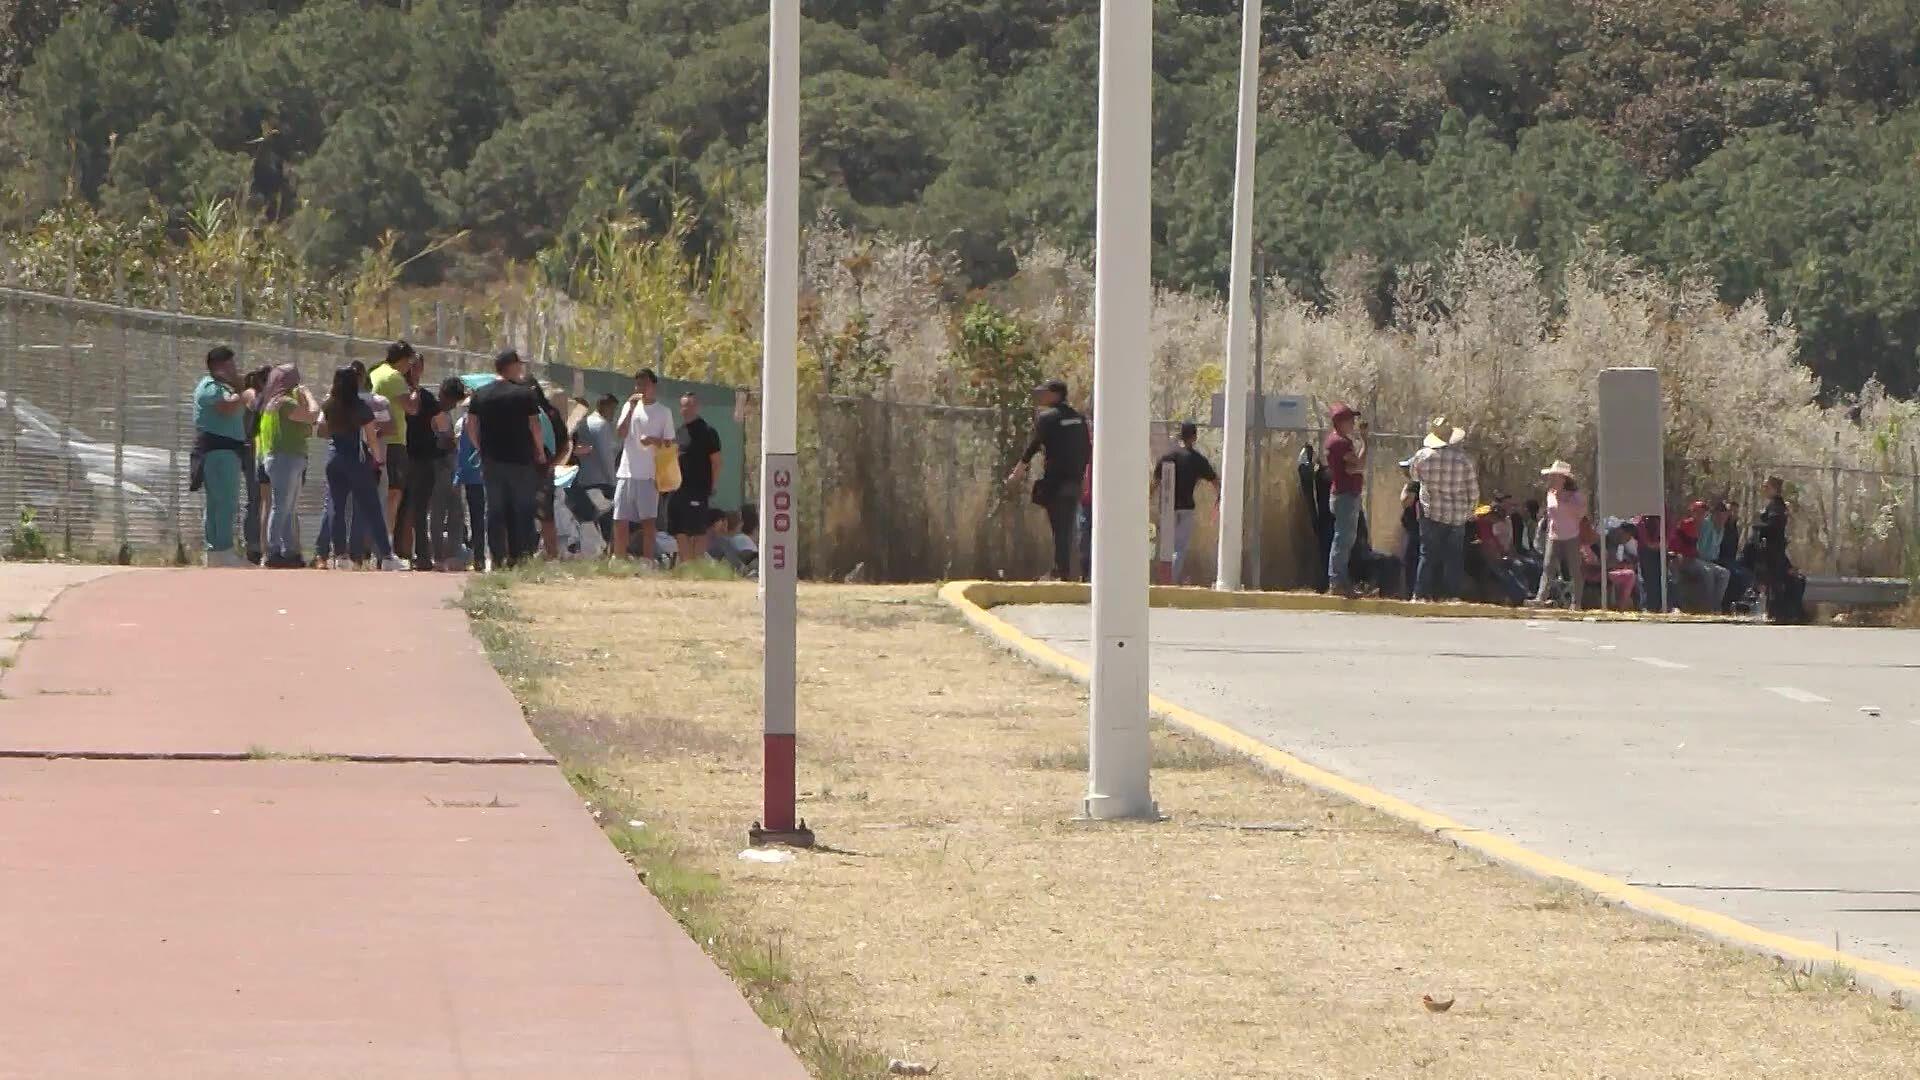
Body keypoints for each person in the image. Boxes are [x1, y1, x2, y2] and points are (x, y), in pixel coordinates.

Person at [466, 350, 548, 569]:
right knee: (521, 508)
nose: (521, 369)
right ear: (510, 367)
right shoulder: (524, 394)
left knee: (494, 509)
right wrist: (539, 451)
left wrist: (479, 446)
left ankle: (497, 556)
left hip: (492, 460)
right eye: (518, 365)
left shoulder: (480, 394)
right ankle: (519, 556)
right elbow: (535, 426)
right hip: (521, 460)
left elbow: (470, 424)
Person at [319, 364, 404, 571]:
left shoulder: (329, 404)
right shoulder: (361, 407)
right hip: (356, 460)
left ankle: (340, 555)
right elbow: (372, 438)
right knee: (372, 508)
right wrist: (378, 460)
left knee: (336, 507)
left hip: (333, 457)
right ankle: (386, 555)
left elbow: (321, 428)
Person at [1008, 378, 1089, 581]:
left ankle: (1062, 574)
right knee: (1066, 527)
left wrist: (1017, 473)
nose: (1040, 395)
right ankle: (1063, 570)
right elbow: (1086, 449)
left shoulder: (1047, 418)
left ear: (1055, 394)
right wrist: (1082, 477)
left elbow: (1033, 447)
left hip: (1056, 482)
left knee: (1060, 528)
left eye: (1044, 392)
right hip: (1074, 482)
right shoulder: (1079, 418)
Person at [191, 346, 257, 567]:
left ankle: (219, 551)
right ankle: (221, 549)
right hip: (218, 452)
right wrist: (244, 394)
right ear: (218, 367)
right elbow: (226, 408)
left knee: (223, 501)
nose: (234, 368)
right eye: (229, 364)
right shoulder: (210, 387)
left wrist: (240, 384)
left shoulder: (226, 387)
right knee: (223, 501)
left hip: (227, 452)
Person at [1407, 418, 1478, 601]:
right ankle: (1451, 595)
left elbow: (1414, 476)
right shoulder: (1464, 461)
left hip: (1431, 512)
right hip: (1457, 515)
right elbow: (1473, 491)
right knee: (1453, 557)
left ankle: (1421, 594)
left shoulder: (1422, 456)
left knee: (1428, 554)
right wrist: (1469, 512)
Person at [255, 364, 318, 569]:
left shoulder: (273, 402)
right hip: (285, 457)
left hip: (285, 456)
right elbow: (314, 415)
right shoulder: (283, 402)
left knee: (289, 507)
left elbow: (306, 428)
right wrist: (307, 394)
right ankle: (273, 551)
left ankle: (290, 551)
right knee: (281, 506)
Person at [613, 368, 675, 561]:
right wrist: (630, 409)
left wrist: (653, 440)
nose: (640, 388)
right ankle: (619, 558)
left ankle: (648, 561)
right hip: (626, 471)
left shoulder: (663, 412)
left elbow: (670, 443)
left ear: (653, 386)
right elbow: (621, 433)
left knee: (648, 521)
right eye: (638, 384)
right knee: (620, 518)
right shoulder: (629, 407)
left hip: (648, 474)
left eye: (645, 384)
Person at [369, 341, 420, 555]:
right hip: (394, 442)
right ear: (402, 359)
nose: (411, 366)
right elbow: (412, 408)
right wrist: (415, 386)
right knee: (394, 494)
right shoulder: (394, 377)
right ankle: (385, 547)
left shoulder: (375, 373)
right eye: (410, 361)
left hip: (376, 439)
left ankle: (374, 546)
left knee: (380, 493)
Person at [1151, 421, 1218, 585]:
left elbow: (1155, 482)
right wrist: (1219, 497)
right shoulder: (1197, 460)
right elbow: (1214, 480)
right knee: (1179, 548)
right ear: (1194, 437)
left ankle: (1164, 580)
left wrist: (1148, 498)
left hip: (1167, 508)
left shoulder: (1168, 457)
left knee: (1165, 546)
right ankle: (1171, 581)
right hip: (1187, 508)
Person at [399, 357, 444, 569]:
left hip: (416, 456)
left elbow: (440, 423)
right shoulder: (413, 396)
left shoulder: (419, 396)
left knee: (413, 508)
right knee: (412, 508)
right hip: (411, 456)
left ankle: (417, 554)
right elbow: (442, 425)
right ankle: (412, 554)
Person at [670, 393, 723, 561]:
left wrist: (712, 486)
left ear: (698, 407)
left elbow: (716, 462)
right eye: (684, 405)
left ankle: (697, 565)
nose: (687, 409)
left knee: (698, 529)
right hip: (678, 488)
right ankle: (686, 565)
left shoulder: (708, 431)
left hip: (699, 489)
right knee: (679, 529)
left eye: (691, 405)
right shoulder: (678, 432)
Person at [1322, 404, 1367, 596]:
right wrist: (1365, 442)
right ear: (1340, 422)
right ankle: (1337, 582)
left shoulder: (1338, 441)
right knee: (1343, 539)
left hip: (1344, 494)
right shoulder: (1340, 442)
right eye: (1350, 420)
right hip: (1345, 495)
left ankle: (1340, 581)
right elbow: (1356, 465)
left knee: (1345, 538)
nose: (1353, 423)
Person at [1529, 460, 1586, 609]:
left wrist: (1568, 503)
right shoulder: (1550, 494)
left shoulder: (1576, 496)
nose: (1551, 480)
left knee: (1575, 570)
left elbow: (1581, 514)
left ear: (1564, 479)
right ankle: (1540, 597)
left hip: (1571, 536)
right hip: (1553, 535)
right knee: (1548, 567)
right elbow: (1550, 514)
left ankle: (1576, 602)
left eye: (1555, 477)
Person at [568, 393, 620, 545]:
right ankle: (607, 550)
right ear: (604, 407)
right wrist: (613, 481)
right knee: (607, 521)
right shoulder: (601, 425)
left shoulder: (585, 423)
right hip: (602, 481)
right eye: (612, 409)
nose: (613, 413)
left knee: (590, 519)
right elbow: (606, 456)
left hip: (584, 480)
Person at [430, 377, 470, 570]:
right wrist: (453, 442)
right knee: (442, 512)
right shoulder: (438, 413)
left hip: (449, 466)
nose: (454, 405)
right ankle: (440, 555)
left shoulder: (443, 413)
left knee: (454, 512)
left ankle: (452, 553)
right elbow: (444, 441)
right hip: (442, 466)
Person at [1669, 501, 1731, 612]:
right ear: (1692, 512)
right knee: (1708, 572)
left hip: (1701, 560)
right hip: (1686, 559)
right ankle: (1708, 607)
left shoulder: (1710, 526)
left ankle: (1716, 607)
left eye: (1703, 512)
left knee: (1724, 573)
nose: (1701, 515)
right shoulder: (1686, 525)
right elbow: (1677, 545)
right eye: (1698, 512)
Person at [453, 380, 488, 571]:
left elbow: (459, 447)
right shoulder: (488, 423)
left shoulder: (463, 422)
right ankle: (480, 556)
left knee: (472, 515)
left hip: (470, 473)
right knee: (478, 515)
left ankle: (476, 556)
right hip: (479, 472)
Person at [535, 383, 572, 560]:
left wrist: (551, 466)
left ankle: (551, 553)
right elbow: (566, 445)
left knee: (545, 515)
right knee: (545, 515)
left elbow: (565, 445)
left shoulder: (547, 415)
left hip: (541, 470)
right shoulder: (552, 414)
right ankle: (549, 553)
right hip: (545, 469)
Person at [1398, 462, 1422, 599]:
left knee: (1412, 560)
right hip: (1417, 527)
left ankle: (1411, 592)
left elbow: (1405, 501)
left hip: (1415, 529)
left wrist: (1406, 488)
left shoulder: (1414, 484)